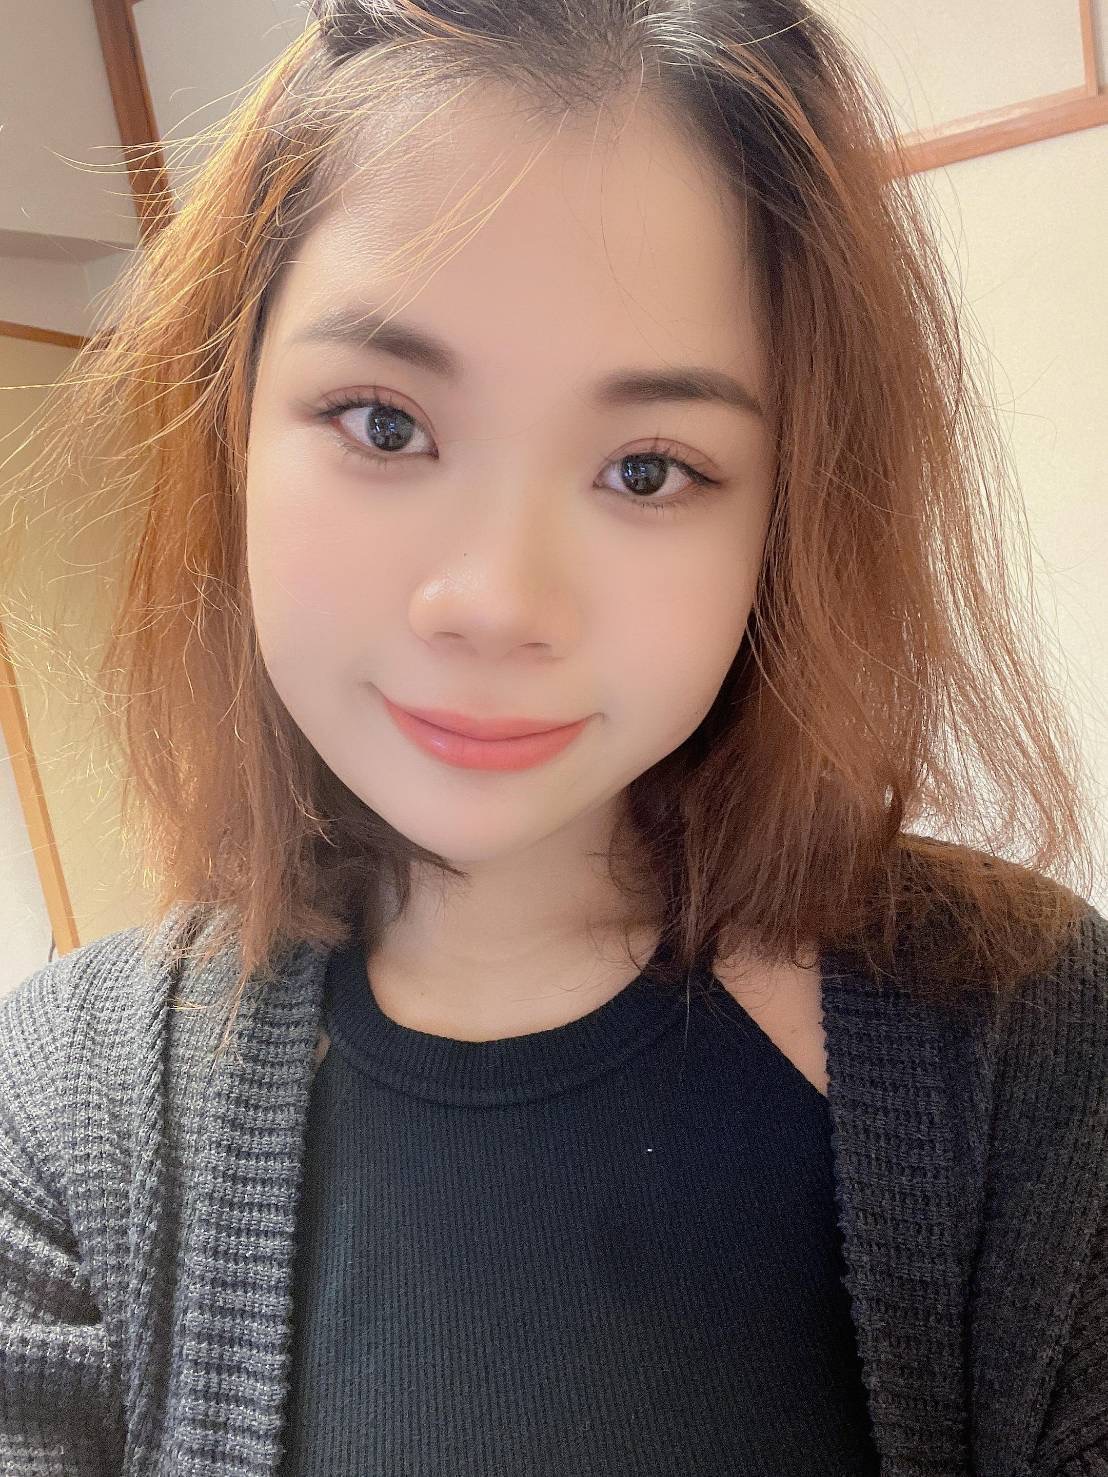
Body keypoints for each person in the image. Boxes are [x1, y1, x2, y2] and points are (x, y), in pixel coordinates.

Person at [1, 1, 1105, 1473]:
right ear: (231, 429)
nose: (497, 604)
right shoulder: (61, 1115)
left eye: (648, 469)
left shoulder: (1023, 1033)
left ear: (790, 516)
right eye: (383, 423)